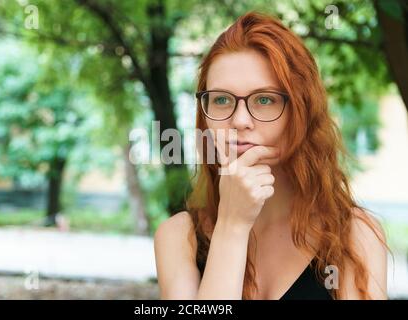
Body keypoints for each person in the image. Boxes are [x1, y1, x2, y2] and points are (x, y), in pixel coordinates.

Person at [154, 11, 388, 300]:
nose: (240, 121)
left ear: (302, 112)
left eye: (265, 99)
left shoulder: (353, 235)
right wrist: (232, 227)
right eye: (222, 100)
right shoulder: (179, 238)